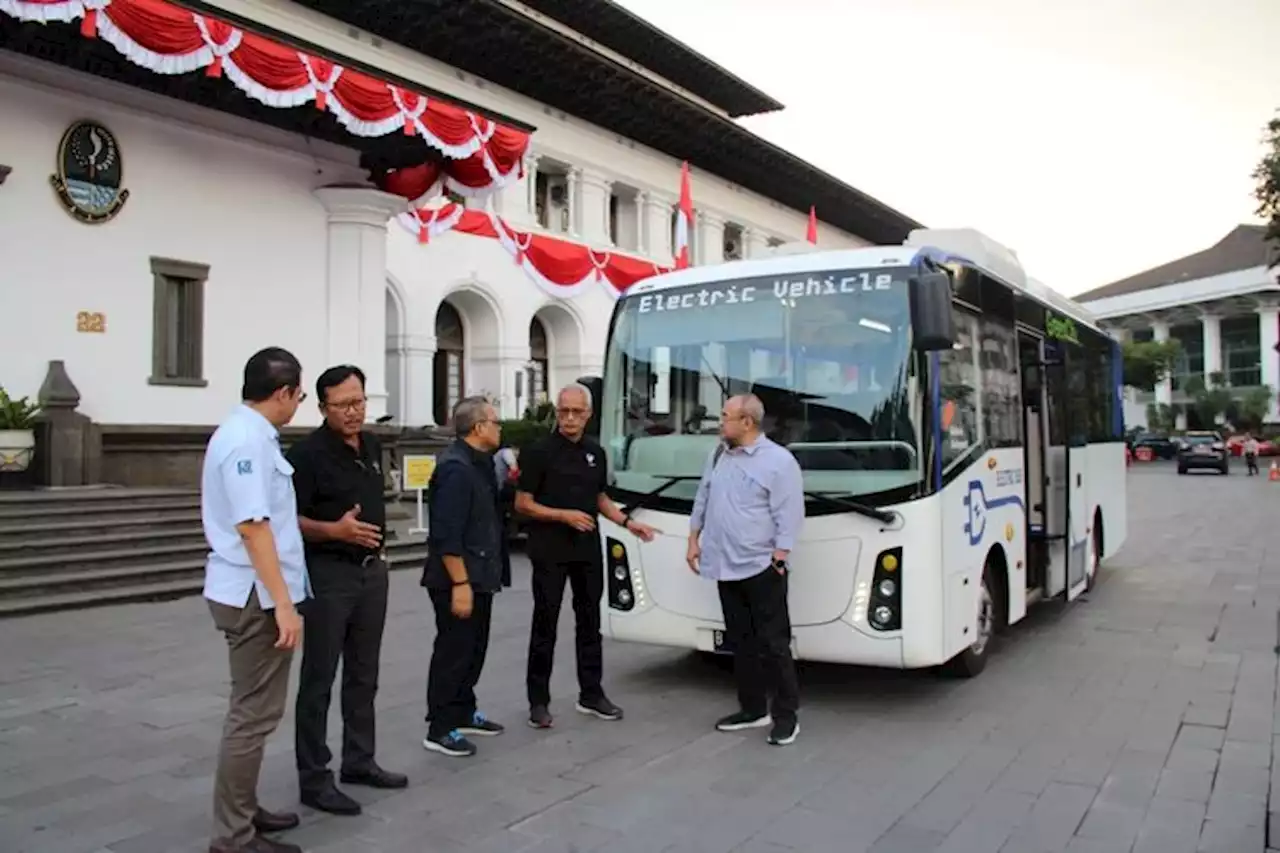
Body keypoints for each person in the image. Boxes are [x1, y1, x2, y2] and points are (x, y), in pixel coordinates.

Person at [201, 347, 309, 853]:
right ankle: (233, 837)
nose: (298, 404)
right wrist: (283, 604)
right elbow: (252, 527)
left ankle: (244, 811)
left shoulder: (250, 435)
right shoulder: (246, 440)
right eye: (301, 395)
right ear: (284, 392)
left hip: (251, 591)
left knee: (257, 714)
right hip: (253, 596)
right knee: (251, 717)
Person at [287, 365, 407, 817]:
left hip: (372, 573)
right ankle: (314, 778)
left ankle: (359, 760)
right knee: (319, 678)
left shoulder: (372, 445)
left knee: (364, 672)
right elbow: (288, 519)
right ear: (322, 408)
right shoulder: (307, 456)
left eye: (359, 402)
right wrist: (333, 530)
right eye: (343, 405)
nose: (354, 412)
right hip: (328, 576)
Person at [516, 382, 659, 729]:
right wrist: (561, 515)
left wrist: (627, 523)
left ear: (588, 415)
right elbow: (523, 503)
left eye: (576, 412)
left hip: (586, 549)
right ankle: (538, 701)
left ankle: (591, 693)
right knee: (545, 624)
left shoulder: (596, 452)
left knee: (589, 623)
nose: (569, 418)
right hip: (549, 549)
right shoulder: (538, 452)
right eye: (563, 411)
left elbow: (599, 498)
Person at [686, 394, 805, 747]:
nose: (720, 421)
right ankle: (753, 709)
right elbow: (703, 497)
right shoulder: (719, 454)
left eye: (725, 416)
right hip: (723, 563)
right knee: (741, 643)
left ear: (747, 422)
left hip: (761, 566)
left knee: (774, 644)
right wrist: (694, 538)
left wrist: (779, 558)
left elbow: (790, 515)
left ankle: (787, 716)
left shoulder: (779, 462)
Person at [421, 397, 507, 757]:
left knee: (475, 647)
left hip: (481, 570)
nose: (499, 427)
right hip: (457, 577)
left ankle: (464, 709)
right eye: (495, 421)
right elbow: (446, 533)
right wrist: (460, 583)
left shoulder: (481, 464)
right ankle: (440, 726)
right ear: (478, 428)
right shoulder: (455, 468)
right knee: (454, 650)